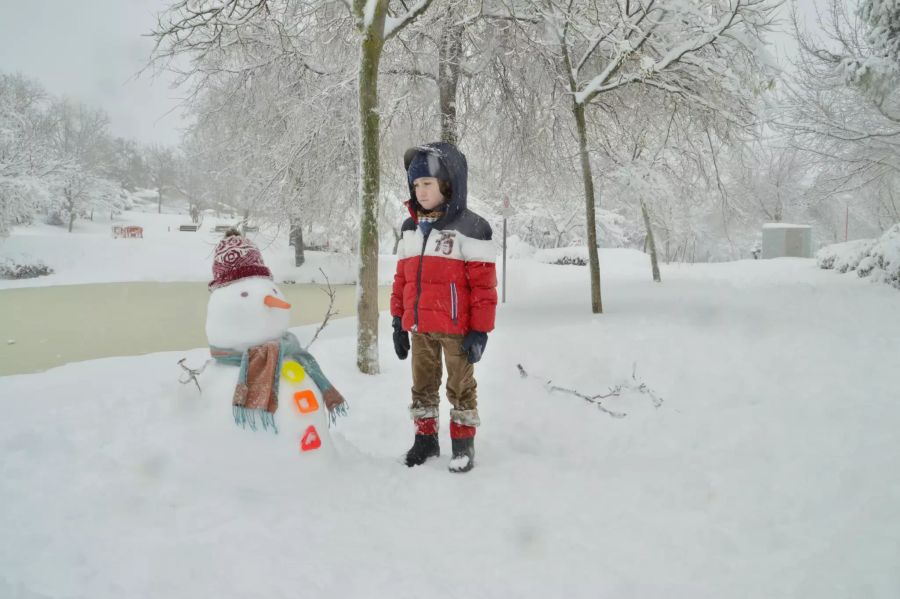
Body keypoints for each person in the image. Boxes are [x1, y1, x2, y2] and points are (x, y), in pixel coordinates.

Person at [390, 142, 497, 473]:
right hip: (420, 326)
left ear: (447, 184)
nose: (420, 192)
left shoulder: (471, 228)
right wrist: (398, 320)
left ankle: (463, 445)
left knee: (460, 386)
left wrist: (480, 330)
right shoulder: (410, 228)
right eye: (416, 185)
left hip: (457, 329)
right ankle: (425, 440)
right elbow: (402, 279)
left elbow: (483, 287)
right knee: (422, 385)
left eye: (428, 184)